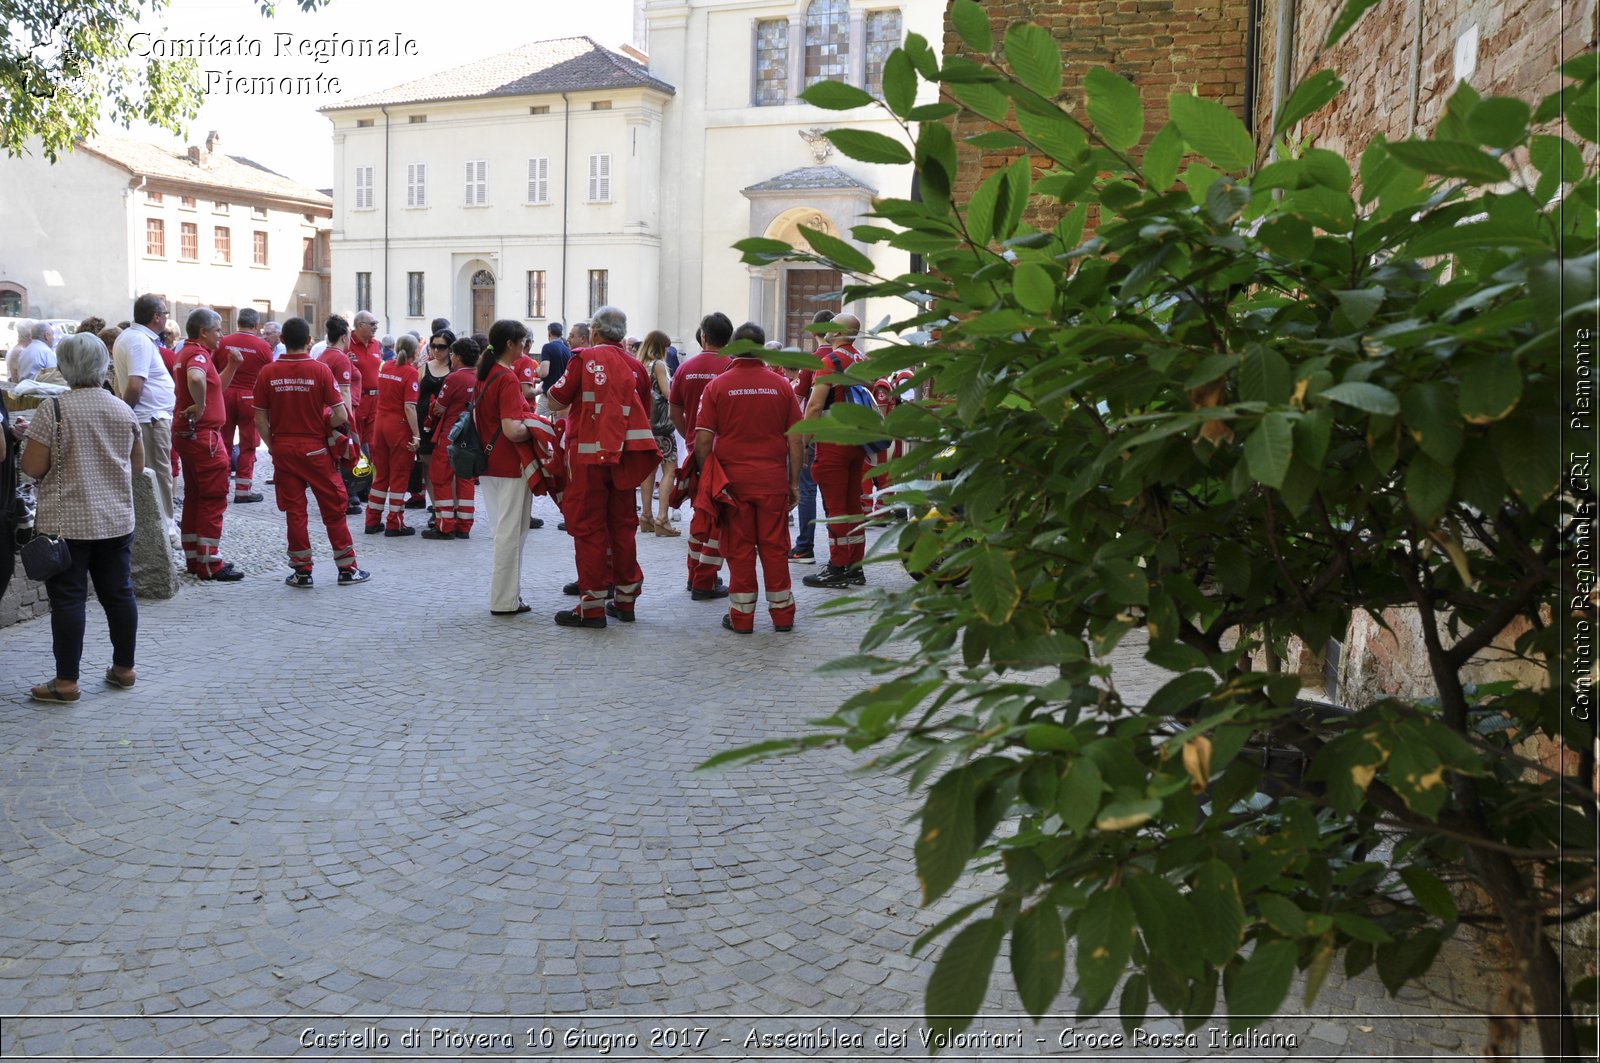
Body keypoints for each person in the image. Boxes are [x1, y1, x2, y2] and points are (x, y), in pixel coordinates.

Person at [19, 333, 143, 703]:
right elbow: (137, 467)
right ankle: (124, 669)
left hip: (66, 525)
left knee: (69, 600)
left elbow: (31, 466)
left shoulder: (54, 410)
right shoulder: (123, 408)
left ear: (64, 367)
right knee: (119, 594)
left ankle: (67, 682)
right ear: (102, 364)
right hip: (116, 521)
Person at [546, 305, 658, 628]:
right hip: (624, 457)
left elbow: (556, 398)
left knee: (589, 528)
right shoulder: (637, 367)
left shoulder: (582, 358)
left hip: (586, 459)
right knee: (623, 526)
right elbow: (644, 415)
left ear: (594, 332)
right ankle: (625, 601)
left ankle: (591, 606)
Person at [694, 322, 803, 634]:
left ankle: (742, 619)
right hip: (771, 481)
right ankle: (783, 616)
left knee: (739, 549)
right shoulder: (781, 385)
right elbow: (797, 439)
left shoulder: (717, 386)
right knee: (775, 547)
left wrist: (708, 478)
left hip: (733, 484)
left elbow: (703, 440)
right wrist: (793, 483)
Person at [252, 317, 369, 588]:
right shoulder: (320, 370)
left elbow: (260, 420)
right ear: (308, 341)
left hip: (284, 448)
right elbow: (341, 414)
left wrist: (273, 446)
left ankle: (302, 572)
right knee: (333, 508)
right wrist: (323, 424)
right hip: (315, 449)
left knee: (295, 511)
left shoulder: (267, 373)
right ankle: (347, 569)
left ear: (282, 341)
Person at [473, 320, 539, 615]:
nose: (526, 347)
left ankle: (507, 597)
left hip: (488, 462)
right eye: (523, 342)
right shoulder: (507, 377)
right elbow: (512, 429)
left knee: (503, 531)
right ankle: (504, 600)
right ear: (511, 344)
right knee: (511, 533)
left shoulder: (485, 374)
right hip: (509, 463)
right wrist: (535, 428)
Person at [173, 307, 244, 581]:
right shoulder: (198, 354)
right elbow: (196, 378)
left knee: (195, 496)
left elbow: (214, 387)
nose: (221, 336)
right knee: (213, 498)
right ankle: (210, 563)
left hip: (189, 436)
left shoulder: (186, 351)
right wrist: (200, 406)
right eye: (217, 330)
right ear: (203, 332)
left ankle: (195, 557)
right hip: (205, 438)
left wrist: (232, 366)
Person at [669, 312, 735, 600]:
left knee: (700, 512)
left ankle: (694, 573)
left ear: (704, 337)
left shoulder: (686, 368)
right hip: (726, 454)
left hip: (698, 452)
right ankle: (705, 580)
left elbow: (674, 411)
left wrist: (691, 438)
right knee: (719, 518)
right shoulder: (732, 366)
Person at [802, 312, 870, 589]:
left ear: (839, 332)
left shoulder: (831, 361)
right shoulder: (862, 360)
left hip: (832, 443)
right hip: (858, 443)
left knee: (835, 507)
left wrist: (804, 439)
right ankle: (855, 566)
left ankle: (837, 567)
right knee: (854, 504)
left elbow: (816, 405)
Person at [111, 295, 179, 539]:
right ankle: (166, 529)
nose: (166, 319)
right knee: (160, 474)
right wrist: (126, 415)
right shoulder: (139, 340)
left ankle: (162, 525)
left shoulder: (134, 337)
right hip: (149, 418)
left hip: (149, 416)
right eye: (165, 314)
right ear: (156, 317)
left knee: (155, 472)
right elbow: (134, 385)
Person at [421, 335, 480, 540]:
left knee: (441, 477)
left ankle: (445, 525)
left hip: (450, 433)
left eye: (453, 354)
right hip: (471, 435)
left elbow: (440, 407)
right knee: (466, 479)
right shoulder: (479, 376)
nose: (451, 358)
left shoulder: (454, 378)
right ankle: (464, 525)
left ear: (459, 357)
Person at [364, 333, 421, 535]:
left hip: (380, 425)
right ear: (416, 352)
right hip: (399, 427)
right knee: (399, 475)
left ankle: (371, 520)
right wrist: (416, 434)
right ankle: (394, 522)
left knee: (380, 475)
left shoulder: (385, 367)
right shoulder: (410, 372)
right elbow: (409, 407)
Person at [789, 308, 834, 564]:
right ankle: (840, 552)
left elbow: (799, 403)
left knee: (807, 490)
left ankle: (804, 546)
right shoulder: (852, 357)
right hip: (845, 434)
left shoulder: (813, 361)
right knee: (837, 493)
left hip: (815, 434)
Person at [217, 308, 274, 503]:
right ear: (256, 325)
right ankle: (243, 490)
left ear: (238, 322)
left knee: (222, 441)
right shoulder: (263, 346)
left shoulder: (223, 342)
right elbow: (269, 373)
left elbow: (215, 368)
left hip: (224, 394)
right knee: (248, 444)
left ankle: (220, 486)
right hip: (250, 397)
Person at [636, 330, 678, 536]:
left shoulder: (640, 365)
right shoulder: (659, 365)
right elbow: (669, 394)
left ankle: (645, 517)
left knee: (648, 471)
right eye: (667, 347)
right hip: (662, 428)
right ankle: (662, 518)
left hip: (645, 426)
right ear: (660, 346)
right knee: (670, 470)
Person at [413, 328, 455, 519]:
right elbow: (414, 395)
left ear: (450, 348)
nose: (437, 350)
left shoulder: (454, 369)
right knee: (428, 466)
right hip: (425, 423)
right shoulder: (424, 367)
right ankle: (436, 507)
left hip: (446, 425)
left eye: (442, 347)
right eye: (434, 346)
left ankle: (450, 507)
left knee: (447, 468)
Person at [348, 311, 384, 452]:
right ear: (360, 325)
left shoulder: (375, 344)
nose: (375, 327)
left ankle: (370, 472)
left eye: (376, 324)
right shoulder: (347, 342)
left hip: (374, 400)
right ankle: (355, 472)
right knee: (356, 439)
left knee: (372, 442)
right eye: (372, 324)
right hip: (357, 399)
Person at [537, 322, 571, 418]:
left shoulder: (547, 347)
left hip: (548, 394)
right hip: (562, 396)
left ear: (549, 333)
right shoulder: (567, 350)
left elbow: (544, 372)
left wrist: (537, 371)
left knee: (537, 422)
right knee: (559, 426)